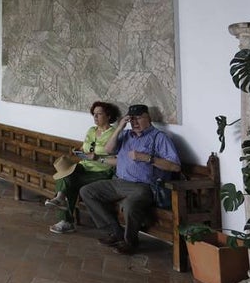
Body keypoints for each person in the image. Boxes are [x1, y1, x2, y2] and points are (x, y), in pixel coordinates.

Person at [79, 103, 181, 255]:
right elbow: (108, 150)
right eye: (132, 119)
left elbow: (175, 167)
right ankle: (115, 230)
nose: (135, 122)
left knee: (129, 205)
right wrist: (120, 127)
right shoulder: (126, 135)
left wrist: (147, 158)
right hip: (119, 181)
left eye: (139, 118)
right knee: (87, 191)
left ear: (149, 118)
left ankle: (130, 242)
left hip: (144, 186)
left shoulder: (159, 138)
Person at [47, 101, 120, 234]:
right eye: (94, 114)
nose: (95, 117)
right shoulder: (91, 130)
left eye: (99, 114)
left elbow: (117, 156)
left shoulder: (114, 133)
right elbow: (85, 146)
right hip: (83, 166)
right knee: (65, 173)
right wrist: (79, 150)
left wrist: (97, 157)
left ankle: (64, 217)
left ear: (108, 116)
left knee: (70, 183)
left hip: (100, 171)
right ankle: (60, 200)